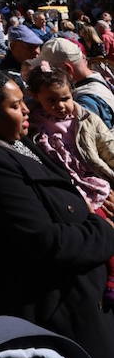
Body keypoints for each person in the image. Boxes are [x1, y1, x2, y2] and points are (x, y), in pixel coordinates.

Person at [0, 67, 114, 358]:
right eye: (15, 106)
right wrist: (104, 230)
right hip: (55, 310)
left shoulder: (17, 142)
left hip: (78, 300)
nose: (27, 109)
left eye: (23, 101)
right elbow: (43, 241)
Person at [27, 62, 114, 303]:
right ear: (37, 99)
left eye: (64, 98)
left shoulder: (86, 118)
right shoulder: (33, 126)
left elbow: (108, 149)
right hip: (66, 189)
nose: (60, 106)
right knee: (98, 224)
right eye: (51, 101)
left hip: (91, 180)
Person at [41, 35, 114, 128]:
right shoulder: (96, 77)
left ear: (67, 69)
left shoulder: (86, 103)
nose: (47, 78)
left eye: (50, 73)